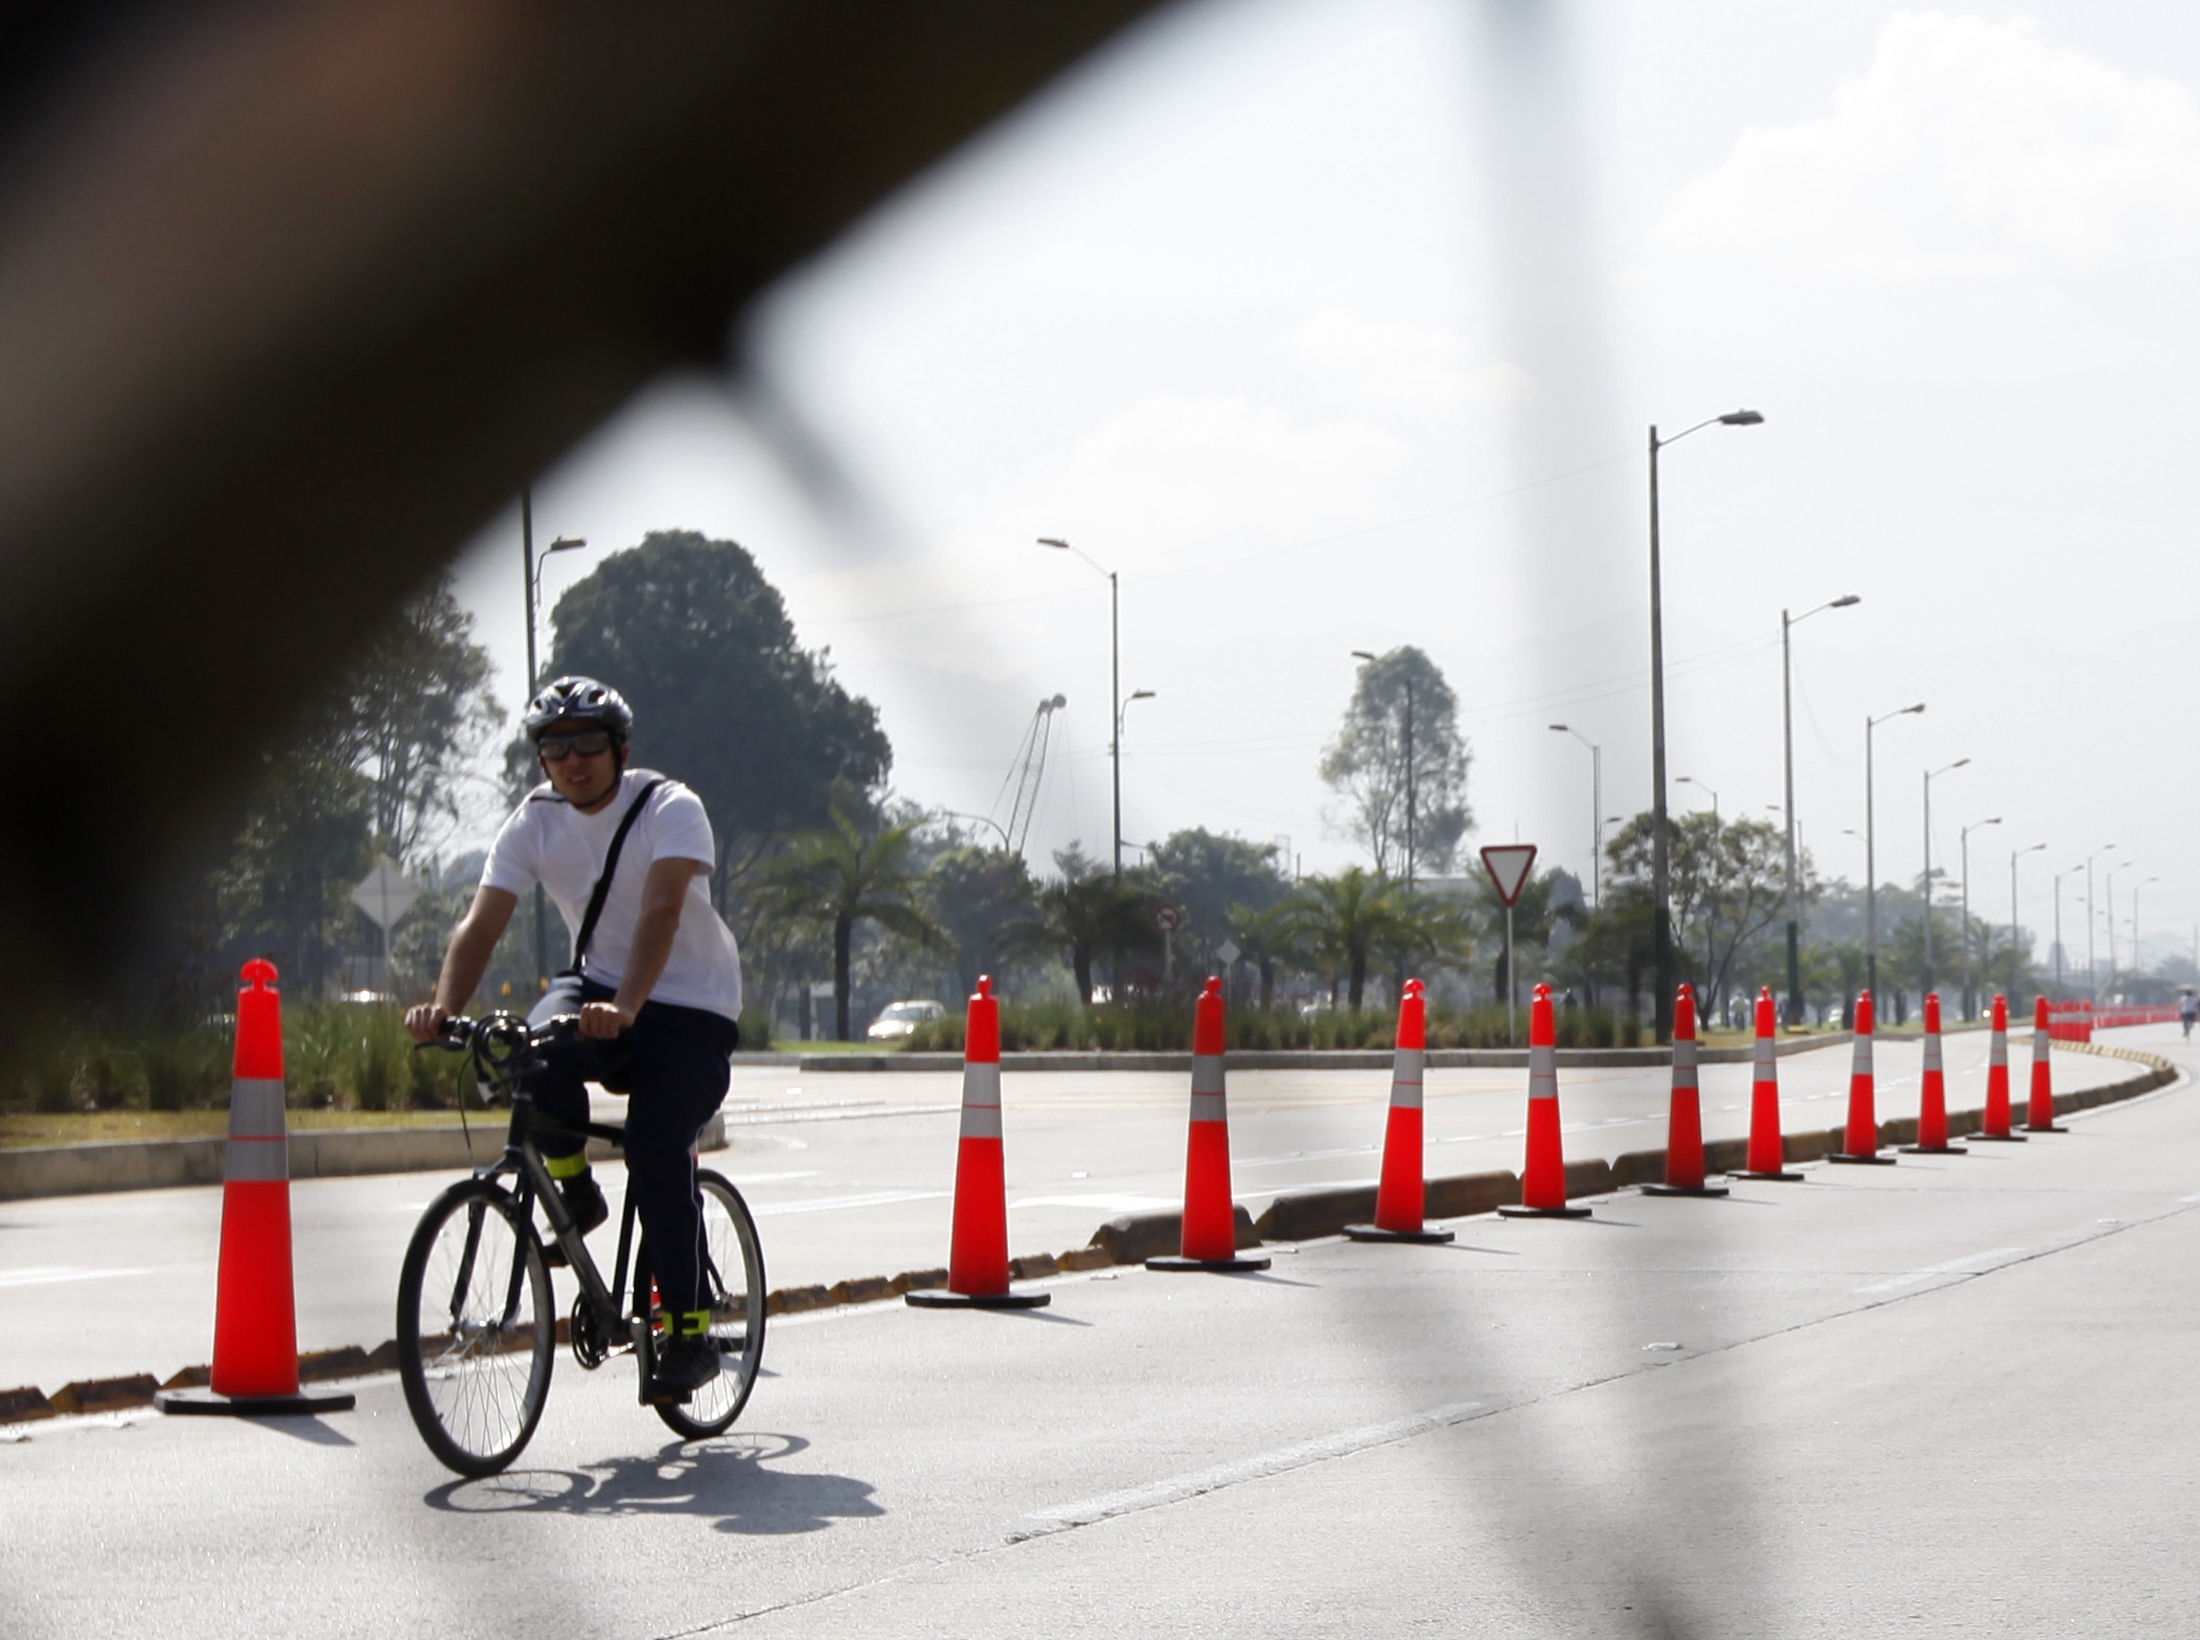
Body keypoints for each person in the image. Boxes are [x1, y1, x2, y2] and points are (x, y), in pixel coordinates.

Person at [405, 676, 743, 1401]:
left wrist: (626, 1004)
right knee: (527, 1052)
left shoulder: (670, 809)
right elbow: (482, 923)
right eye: (555, 750)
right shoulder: (535, 822)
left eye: (589, 744)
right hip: (597, 992)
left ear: (621, 749)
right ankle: (575, 1191)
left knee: (656, 1147)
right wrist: (441, 1008)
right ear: (542, 763)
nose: (573, 761)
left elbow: (660, 913)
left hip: (689, 1008)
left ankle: (686, 1332)